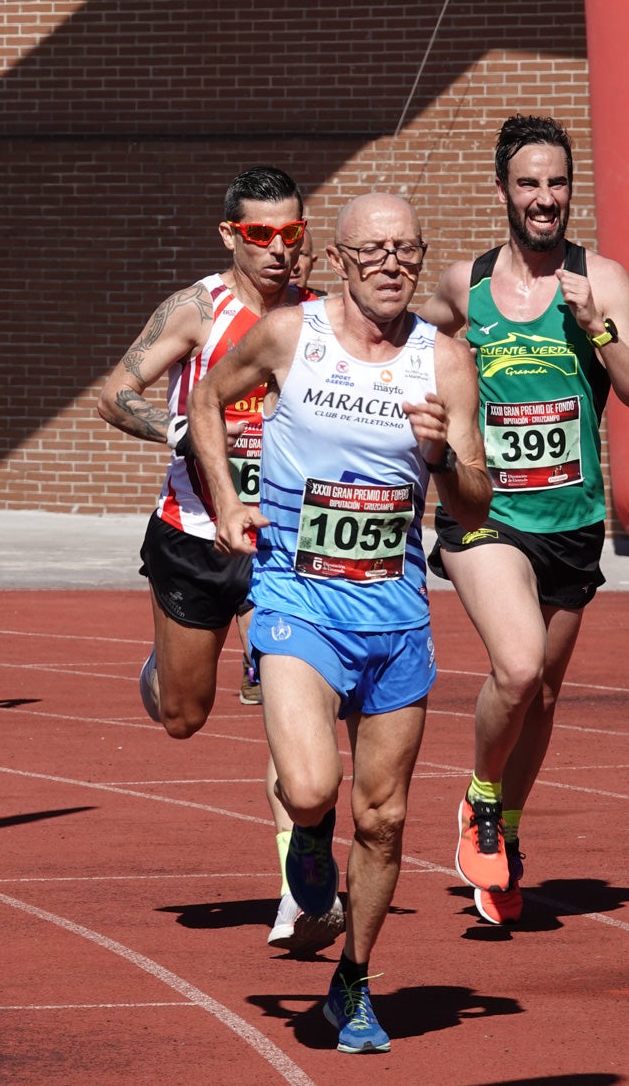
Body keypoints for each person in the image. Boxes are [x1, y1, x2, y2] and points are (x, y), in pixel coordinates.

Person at [187, 192, 492, 1054]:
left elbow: (474, 501)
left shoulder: (446, 362)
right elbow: (209, 401)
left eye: (407, 250)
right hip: (296, 596)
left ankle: (352, 981)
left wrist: (442, 454)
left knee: (387, 818)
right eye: (374, 251)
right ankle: (308, 839)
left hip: (394, 613)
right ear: (341, 261)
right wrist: (227, 503)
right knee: (314, 788)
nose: (392, 265)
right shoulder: (291, 336)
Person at [419, 114, 629, 926]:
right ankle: (480, 804)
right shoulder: (465, 284)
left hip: (571, 518)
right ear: (503, 191)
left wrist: (599, 327)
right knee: (517, 670)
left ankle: (507, 835)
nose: (544, 198)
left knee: (544, 696)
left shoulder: (601, 281)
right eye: (528, 183)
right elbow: (410, 352)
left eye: (556, 183)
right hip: (486, 512)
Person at [97, 165, 344, 952]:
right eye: (261, 235)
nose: (278, 250)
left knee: (291, 722)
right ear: (231, 235)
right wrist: (172, 430)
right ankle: (167, 669)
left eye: (291, 234)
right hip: (192, 536)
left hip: (282, 547)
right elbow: (115, 391)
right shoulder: (198, 310)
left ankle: (298, 892)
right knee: (184, 717)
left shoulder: (320, 317)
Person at [290, 226, 324, 294]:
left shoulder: (324, 303)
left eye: (301, 254)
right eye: (288, 254)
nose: (295, 266)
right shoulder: (262, 304)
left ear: (312, 262)